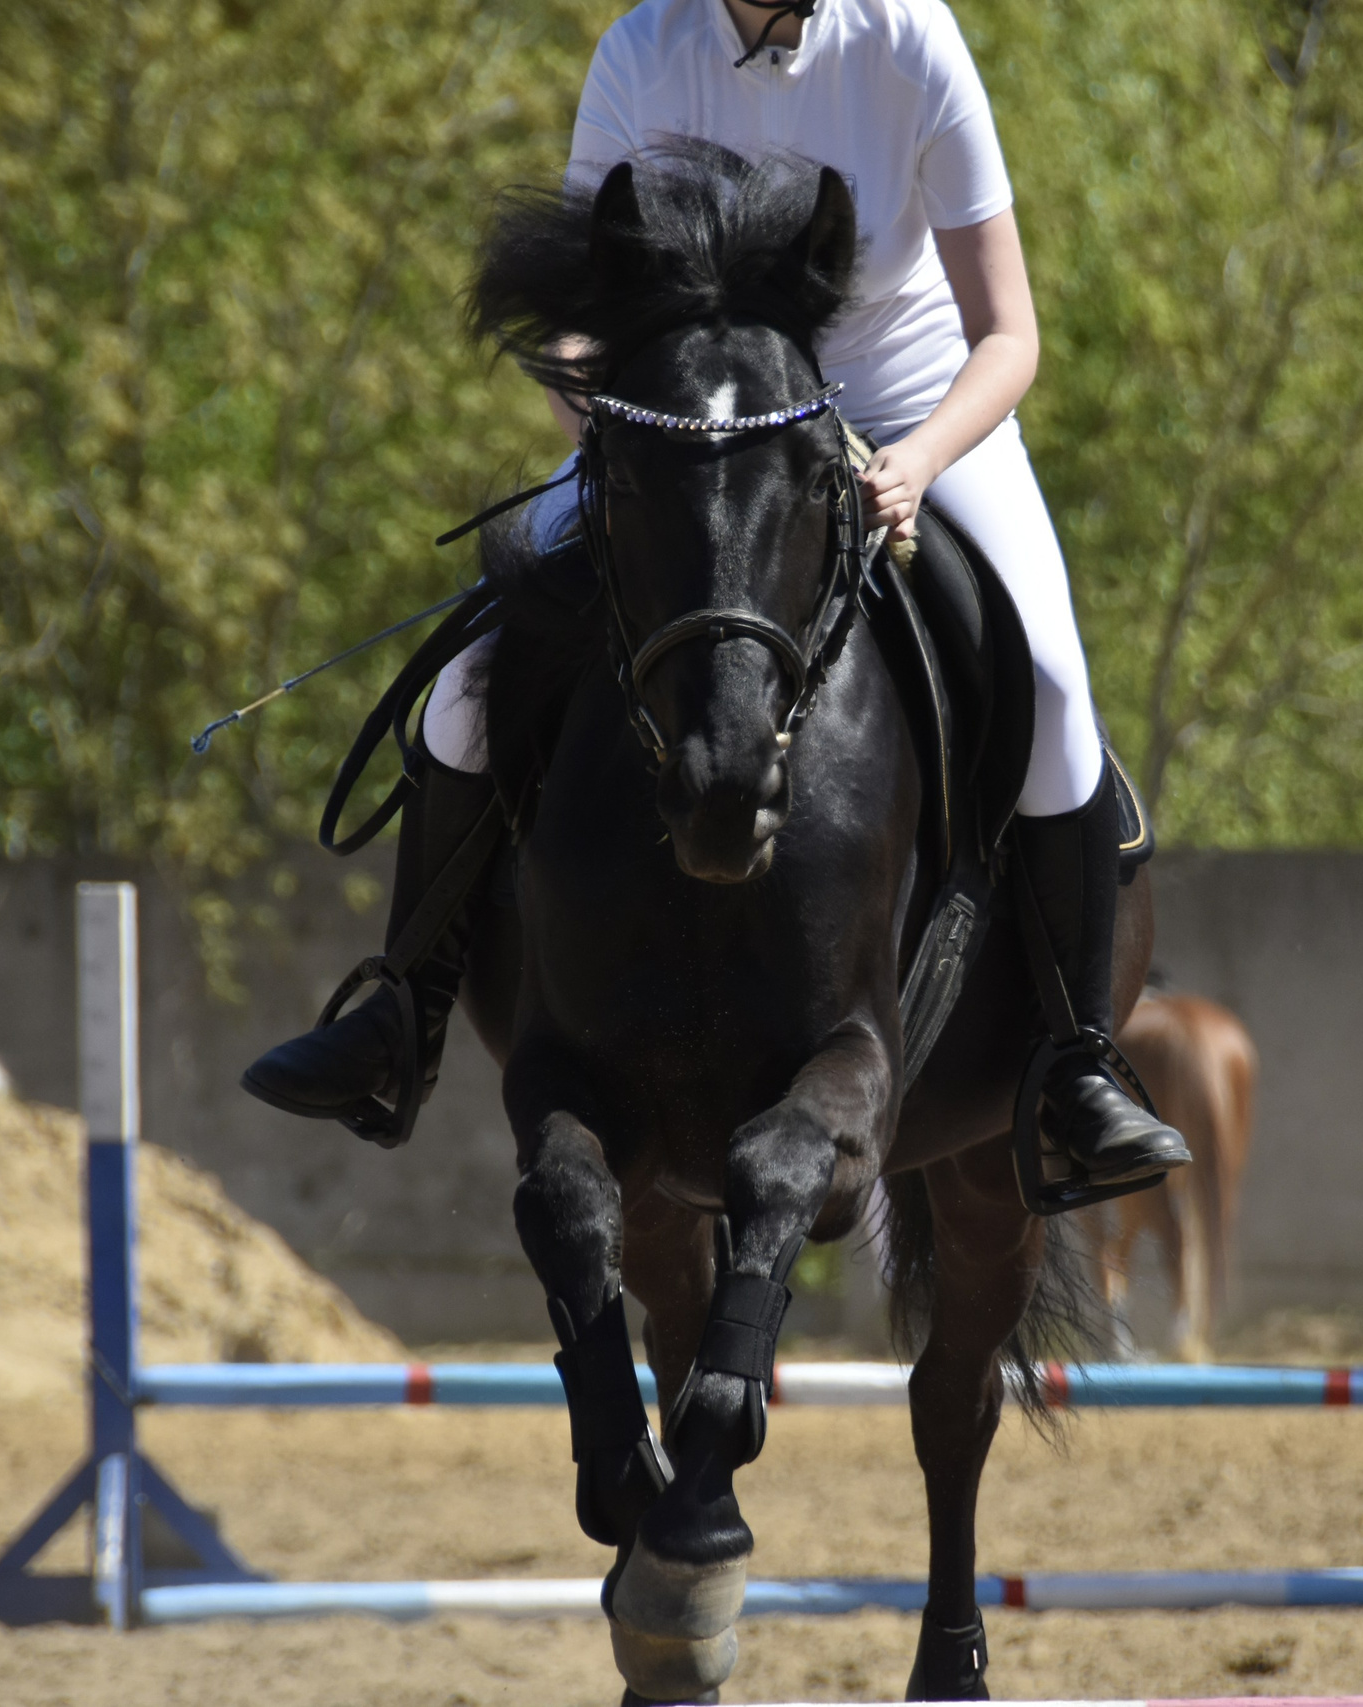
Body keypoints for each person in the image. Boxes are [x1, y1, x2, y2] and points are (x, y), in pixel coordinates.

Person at [244, 0, 1189, 1187]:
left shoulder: (910, 40)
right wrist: (626, 428)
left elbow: (1008, 333)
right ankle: (402, 1009)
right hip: (697, 429)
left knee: (1047, 680)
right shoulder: (642, 50)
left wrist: (916, 462)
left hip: (909, 409)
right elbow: (580, 326)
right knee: (468, 683)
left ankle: (1076, 1061)